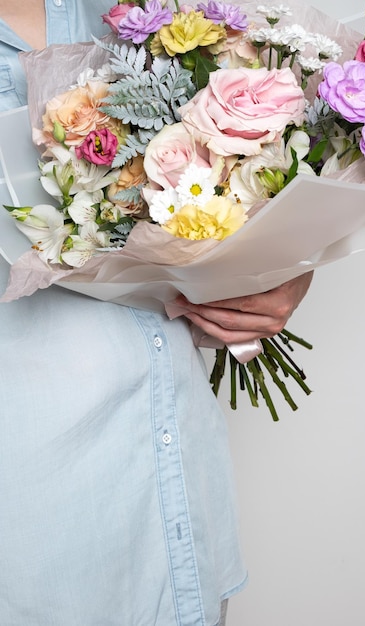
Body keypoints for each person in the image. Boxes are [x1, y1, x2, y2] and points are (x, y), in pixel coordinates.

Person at [0, 1, 313, 624]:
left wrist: (276, 275)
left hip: (179, 509)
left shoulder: (146, 13)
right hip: (34, 534)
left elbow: (234, 192)